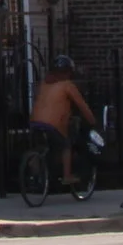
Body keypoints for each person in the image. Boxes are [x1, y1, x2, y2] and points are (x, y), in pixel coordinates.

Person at [28, 55, 98, 186]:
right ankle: (67, 176)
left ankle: (35, 163)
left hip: (35, 121)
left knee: (46, 146)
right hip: (52, 124)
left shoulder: (44, 84)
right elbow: (81, 105)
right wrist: (92, 121)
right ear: (68, 72)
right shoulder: (67, 85)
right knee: (66, 145)